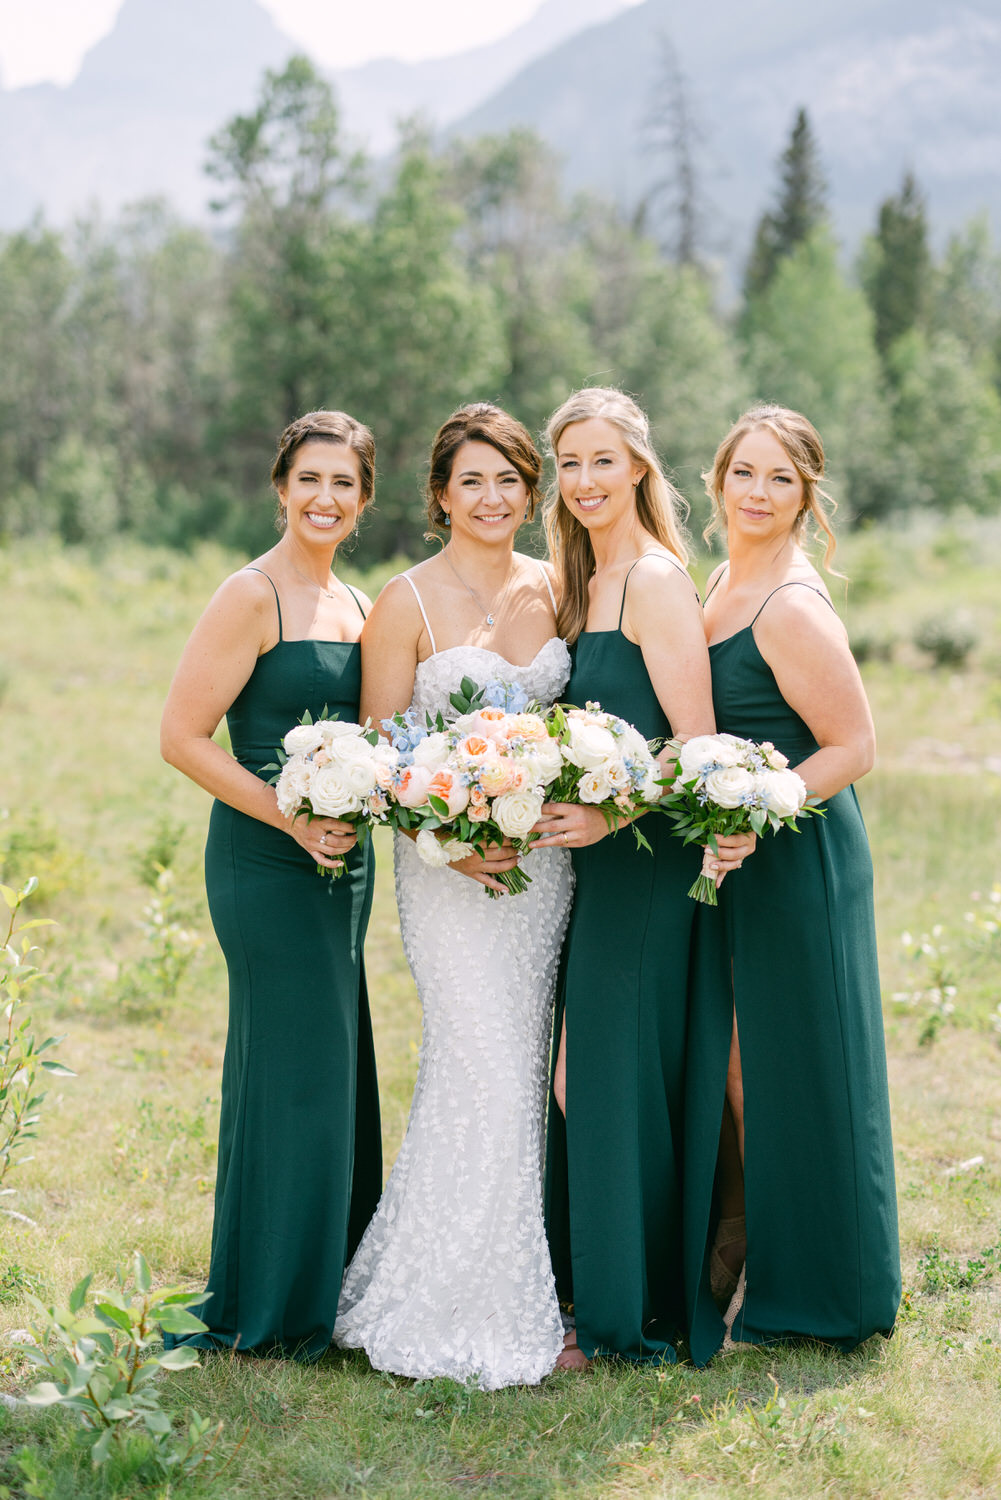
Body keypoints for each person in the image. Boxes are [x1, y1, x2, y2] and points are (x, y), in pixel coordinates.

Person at [333, 403, 574, 1390]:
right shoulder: (405, 602)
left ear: (530, 491)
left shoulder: (560, 587)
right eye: (471, 480)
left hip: (545, 871)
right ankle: (468, 1300)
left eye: (509, 479)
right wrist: (443, 839)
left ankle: (515, 1276)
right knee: (481, 1060)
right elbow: (380, 755)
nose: (491, 497)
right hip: (442, 874)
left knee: (523, 1068)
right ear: (439, 494)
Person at [531, 387, 751, 1370]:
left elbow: (696, 744)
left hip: (648, 865)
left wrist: (613, 811)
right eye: (568, 463)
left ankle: (621, 1317)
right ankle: (613, 1293)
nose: (583, 482)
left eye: (600, 462)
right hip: (599, 874)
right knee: (597, 1081)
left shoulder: (656, 580)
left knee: (601, 1080)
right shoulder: (584, 584)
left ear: (637, 470)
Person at [159, 410, 382, 1359]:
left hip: (346, 867)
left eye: (344, 484)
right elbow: (181, 738)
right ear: (280, 487)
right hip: (263, 860)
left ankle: (327, 1280)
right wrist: (288, 816)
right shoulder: (251, 595)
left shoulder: (361, 607)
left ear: (364, 501)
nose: (324, 498)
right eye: (309, 479)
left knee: (331, 1063)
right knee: (290, 1071)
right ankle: (275, 1303)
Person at [684, 403, 899, 1364]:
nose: (758, 493)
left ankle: (827, 1288)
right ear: (716, 481)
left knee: (803, 1068)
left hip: (799, 854)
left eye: (780, 479)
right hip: (739, 857)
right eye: (745, 474)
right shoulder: (724, 579)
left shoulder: (792, 603)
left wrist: (755, 805)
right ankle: (746, 1251)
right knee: (738, 1068)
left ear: (806, 497)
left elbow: (853, 746)